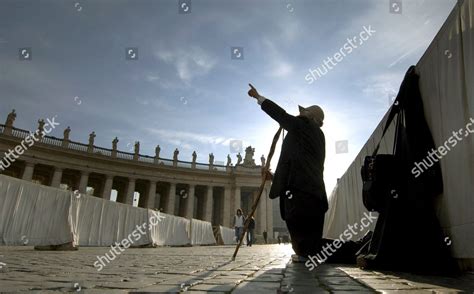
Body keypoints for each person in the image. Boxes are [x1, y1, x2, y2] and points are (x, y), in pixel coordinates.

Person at [247, 84, 328, 263]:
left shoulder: (304, 127)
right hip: (313, 197)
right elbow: (300, 170)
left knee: (309, 248)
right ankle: (354, 248)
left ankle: (357, 249)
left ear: (309, 117)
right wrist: (274, 177)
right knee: (311, 246)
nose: (300, 115)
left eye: (303, 113)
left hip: (302, 198)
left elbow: (282, 116)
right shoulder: (316, 135)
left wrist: (258, 97)